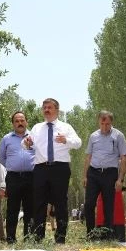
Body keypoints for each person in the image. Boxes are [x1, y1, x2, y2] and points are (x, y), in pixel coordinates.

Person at [26, 98, 82, 243]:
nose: (46, 110)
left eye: (50, 107)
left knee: (60, 203)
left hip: (60, 168)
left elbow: (78, 143)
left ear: (57, 110)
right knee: (39, 203)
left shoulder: (66, 127)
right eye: (44, 107)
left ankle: (60, 237)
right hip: (40, 168)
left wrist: (66, 140)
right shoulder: (37, 127)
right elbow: (25, 143)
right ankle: (38, 237)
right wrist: (27, 143)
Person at [82, 110, 126, 240]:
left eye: (107, 124)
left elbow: (124, 158)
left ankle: (109, 236)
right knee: (89, 204)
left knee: (109, 206)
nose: (104, 127)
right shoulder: (93, 136)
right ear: (99, 122)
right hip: (93, 173)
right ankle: (90, 235)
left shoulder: (118, 136)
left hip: (110, 174)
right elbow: (88, 157)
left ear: (111, 123)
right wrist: (85, 176)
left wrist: (120, 179)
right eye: (102, 124)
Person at [0, 111, 35, 243]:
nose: (20, 123)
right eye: (17, 121)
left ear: (26, 122)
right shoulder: (6, 139)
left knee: (30, 208)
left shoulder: (34, 137)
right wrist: (13, 166)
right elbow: (2, 158)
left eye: (22, 120)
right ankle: (10, 238)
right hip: (13, 178)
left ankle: (29, 237)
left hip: (31, 177)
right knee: (12, 208)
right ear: (13, 123)